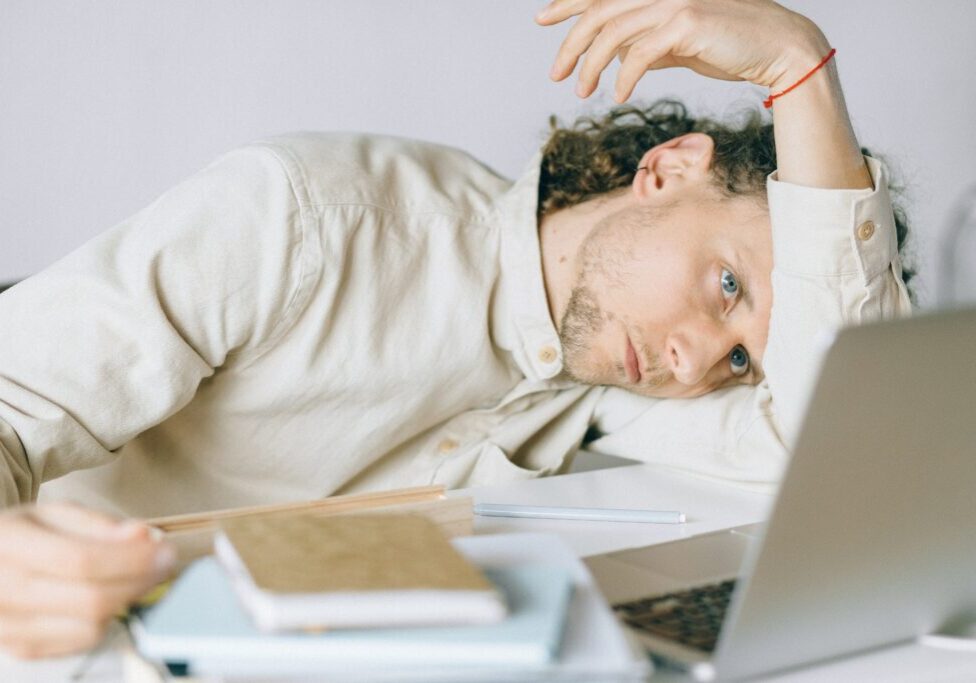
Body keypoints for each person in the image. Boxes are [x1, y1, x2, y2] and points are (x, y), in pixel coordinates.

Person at [0, 0, 912, 660]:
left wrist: (800, 73)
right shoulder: (306, 218)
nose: (695, 358)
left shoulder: (600, 385)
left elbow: (839, 448)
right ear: (669, 169)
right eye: (726, 284)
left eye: (743, 356)